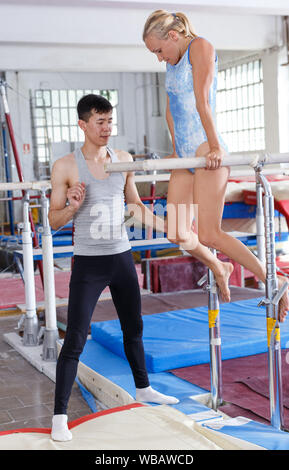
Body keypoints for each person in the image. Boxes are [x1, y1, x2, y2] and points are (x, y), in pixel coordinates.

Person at [48, 94, 179, 442]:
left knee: (133, 329)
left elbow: (134, 204)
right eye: (100, 122)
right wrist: (73, 207)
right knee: (75, 338)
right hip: (89, 264)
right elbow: (53, 220)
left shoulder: (123, 159)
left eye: (110, 121)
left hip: (122, 255)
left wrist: (168, 227)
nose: (107, 128)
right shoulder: (65, 166)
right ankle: (59, 416)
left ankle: (143, 389)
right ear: (83, 124)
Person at [143, 9, 288, 320]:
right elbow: (171, 113)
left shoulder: (200, 47)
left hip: (205, 148)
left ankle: (274, 280)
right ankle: (219, 265)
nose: (158, 57)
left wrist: (215, 146)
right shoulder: (172, 61)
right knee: (178, 233)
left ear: (172, 35)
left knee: (208, 233)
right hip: (186, 154)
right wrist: (175, 150)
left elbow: (202, 100)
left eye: (158, 50)